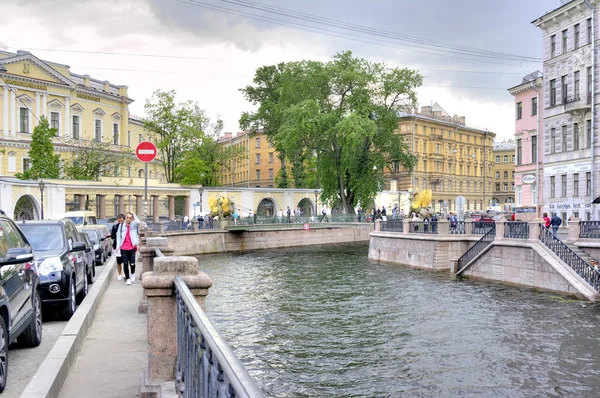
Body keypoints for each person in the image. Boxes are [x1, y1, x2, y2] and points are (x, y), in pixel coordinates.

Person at [117, 212, 139, 285]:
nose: (128, 219)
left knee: (132, 263)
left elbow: (138, 221)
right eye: (127, 218)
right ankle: (128, 278)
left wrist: (133, 214)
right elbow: (118, 236)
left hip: (132, 247)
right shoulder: (122, 225)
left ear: (132, 219)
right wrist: (118, 246)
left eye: (130, 218)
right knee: (125, 264)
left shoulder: (134, 225)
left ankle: (132, 273)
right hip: (123, 247)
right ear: (125, 218)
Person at [111, 214, 125, 280]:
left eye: (121, 220)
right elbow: (112, 236)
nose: (120, 221)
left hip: (125, 245)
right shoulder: (115, 227)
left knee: (125, 261)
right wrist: (115, 234)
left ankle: (125, 273)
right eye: (119, 220)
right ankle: (119, 274)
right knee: (118, 261)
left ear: (123, 220)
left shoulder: (126, 227)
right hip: (117, 246)